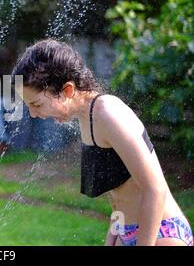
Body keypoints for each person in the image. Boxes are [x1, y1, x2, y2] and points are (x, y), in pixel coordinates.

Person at [11, 39, 193, 246]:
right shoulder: (86, 117)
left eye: (36, 104)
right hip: (128, 232)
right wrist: (113, 238)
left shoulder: (107, 113)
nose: (34, 114)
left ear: (68, 90)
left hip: (160, 233)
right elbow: (120, 193)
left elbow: (155, 189)